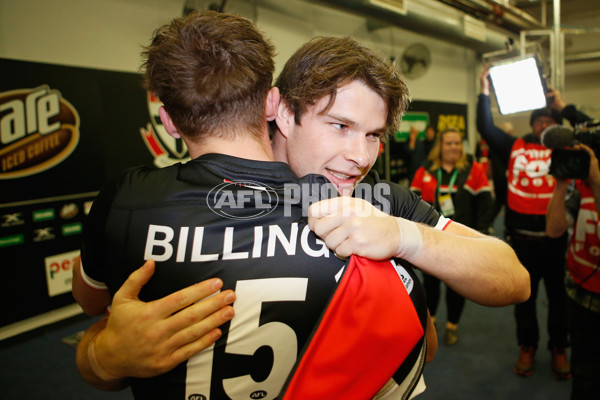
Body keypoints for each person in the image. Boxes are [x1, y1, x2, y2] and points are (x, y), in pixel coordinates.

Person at [75, 28, 530, 398]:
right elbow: (102, 327)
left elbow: (513, 280)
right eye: (340, 126)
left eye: (373, 135)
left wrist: (403, 238)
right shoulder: (154, 199)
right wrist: (103, 357)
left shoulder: (381, 202)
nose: (361, 156)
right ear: (282, 112)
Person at [477, 66, 589, 379]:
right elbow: (485, 127)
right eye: (539, 121)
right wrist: (483, 89)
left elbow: (593, 131)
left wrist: (563, 107)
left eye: (550, 121)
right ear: (531, 125)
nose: (544, 125)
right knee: (522, 299)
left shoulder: (567, 148)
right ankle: (527, 346)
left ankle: (558, 348)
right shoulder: (515, 146)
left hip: (555, 241)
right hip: (520, 241)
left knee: (558, 299)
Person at [409, 127, 494, 345]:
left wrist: (481, 234)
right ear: (440, 146)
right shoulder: (426, 170)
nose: (454, 147)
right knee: (431, 283)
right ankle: (432, 320)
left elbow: (486, 204)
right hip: (432, 239)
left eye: (457, 143)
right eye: (449, 143)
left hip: (462, 240)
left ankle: (452, 326)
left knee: (457, 285)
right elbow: (411, 204)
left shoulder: (473, 170)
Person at [547, 141, 600, 400]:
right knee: (584, 373)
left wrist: (598, 182)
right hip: (580, 293)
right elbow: (554, 230)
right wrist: (560, 183)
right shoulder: (580, 186)